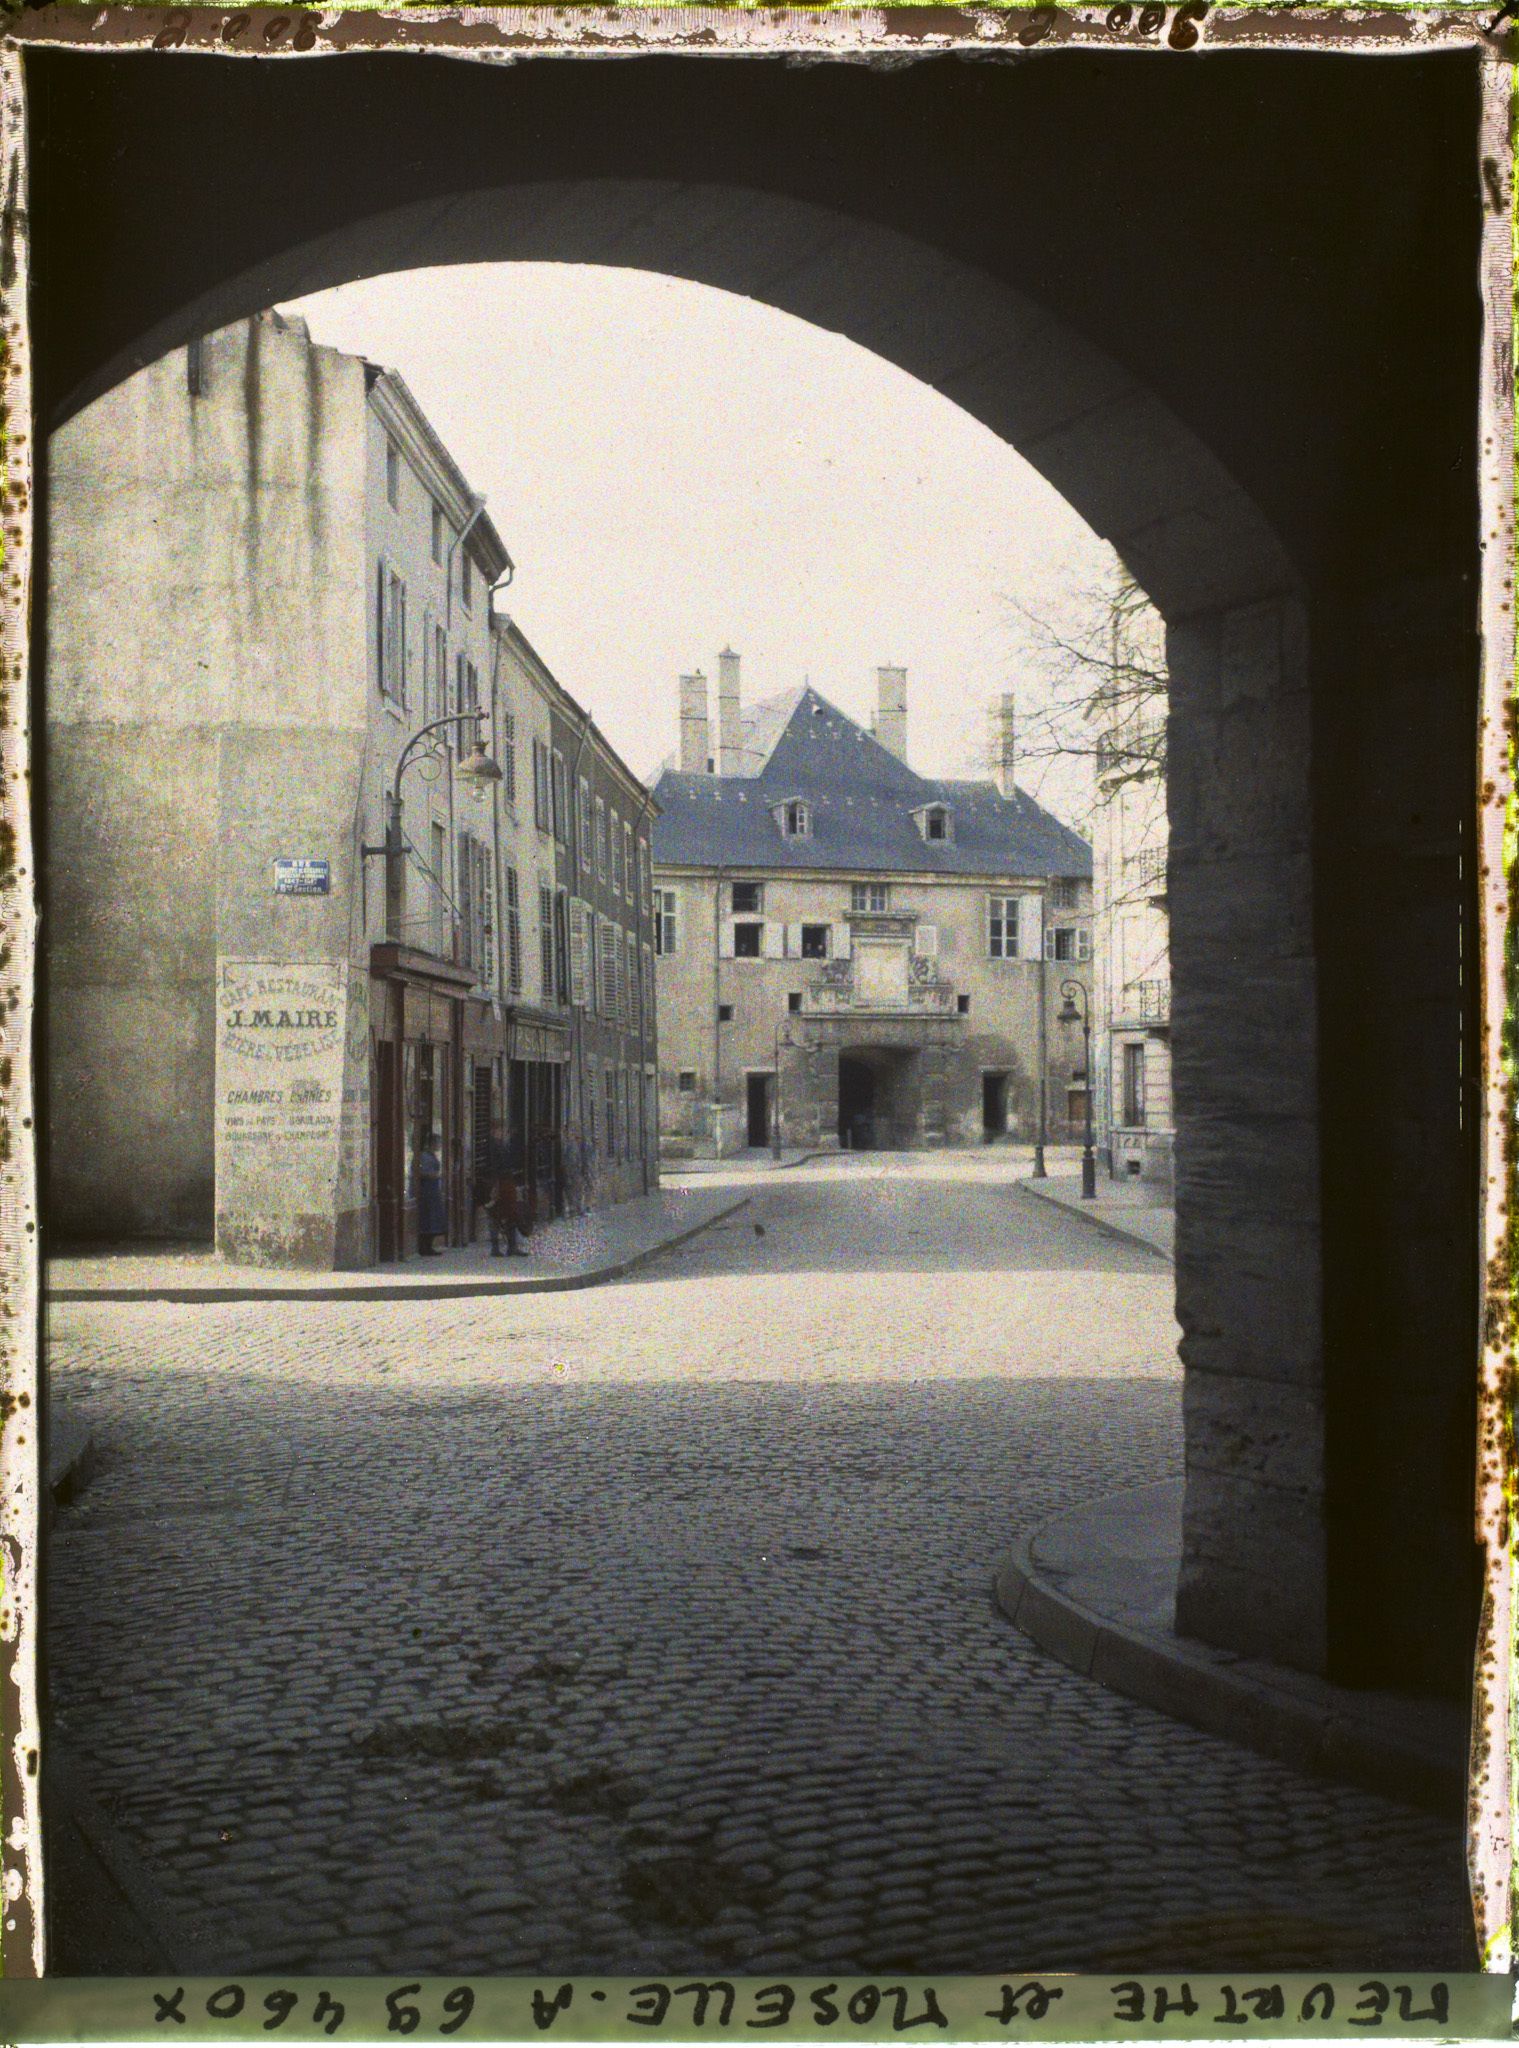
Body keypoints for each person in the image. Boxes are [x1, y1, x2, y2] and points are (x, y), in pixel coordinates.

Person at [480, 1118, 527, 1258]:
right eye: (501, 1129)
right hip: (501, 1184)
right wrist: (495, 1185)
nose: (503, 1132)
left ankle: (508, 1247)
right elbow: (495, 1166)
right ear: (495, 1130)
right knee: (502, 1215)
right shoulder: (492, 1145)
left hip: (504, 1182)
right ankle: (504, 1247)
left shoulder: (498, 1144)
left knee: (505, 1215)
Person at [413, 1130, 446, 1257]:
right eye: (437, 1143)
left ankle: (429, 1246)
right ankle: (424, 1246)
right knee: (428, 1218)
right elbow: (421, 1172)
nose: (439, 1146)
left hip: (433, 1190)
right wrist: (434, 1175)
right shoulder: (425, 1156)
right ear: (432, 1143)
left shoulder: (431, 1156)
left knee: (433, 1219)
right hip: (427, 1190)